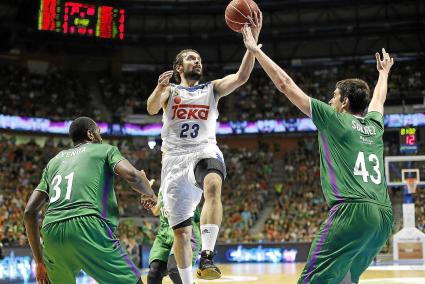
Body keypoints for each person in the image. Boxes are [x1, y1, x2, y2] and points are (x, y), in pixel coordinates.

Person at [242, 26, 394, 284]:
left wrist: (256, 51)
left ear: (344, 102)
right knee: (344, 279)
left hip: (352, 211)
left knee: (311, 280)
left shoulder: (334, 119)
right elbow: (378, 101)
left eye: (334, 96)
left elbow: (285, 85)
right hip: (384, 218)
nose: (331, 100)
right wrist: (384, 74)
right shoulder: (374, 126)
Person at [146, 12, 262, 284]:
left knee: (213, 183)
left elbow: (242, 77)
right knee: (182, 234)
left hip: (203, 150)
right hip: (173, 161)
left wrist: (251, 47)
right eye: (190, 58)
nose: (196, 61)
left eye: (199, 59)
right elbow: (151, 108)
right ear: (178, 67)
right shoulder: (170, 91)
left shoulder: (212, 89)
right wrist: (158, 88)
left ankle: (207, 255)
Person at [24, 117, 157, 284]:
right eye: (98, 133)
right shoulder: (104, 150)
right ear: (90, 134)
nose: (100, 137)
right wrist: (149, 192)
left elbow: (29, 212)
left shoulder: (54, 162)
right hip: (88, 225)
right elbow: (133, 176)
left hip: (51, 230)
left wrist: (38, 262)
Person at [146, 190, 201, 284]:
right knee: (154, 273)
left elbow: (197, 219)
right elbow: (156, 211)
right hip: (164, 233)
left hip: (184, 229)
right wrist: (147, 194)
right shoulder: (163, 186)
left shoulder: (186, 182)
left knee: (175, 269)